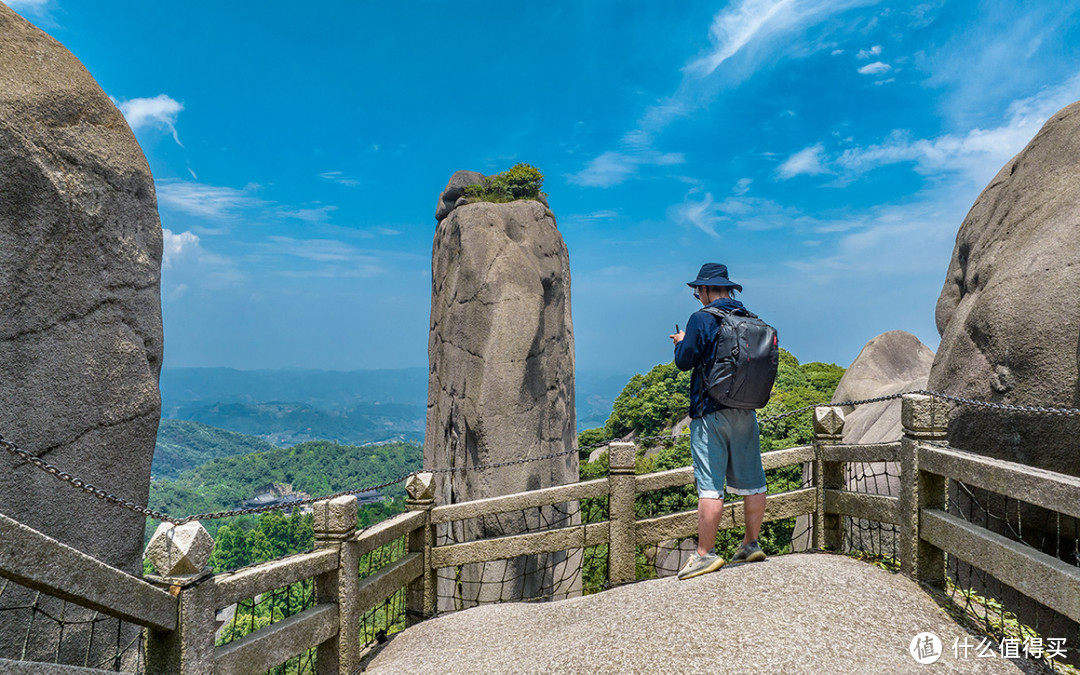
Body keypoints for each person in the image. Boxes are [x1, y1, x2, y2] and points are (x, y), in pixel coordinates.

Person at [670, 262, 768, 580]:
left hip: (710, 412)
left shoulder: (701, 318)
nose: (698, 297)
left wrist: (683, 341)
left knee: (710, 486)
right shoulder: (748, 318)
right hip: (746, 410)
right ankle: (751, 543)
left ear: (709, 290)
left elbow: (685, 361)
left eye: (699, 291)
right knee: (753, 481)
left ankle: (704, 555)